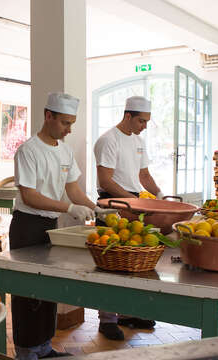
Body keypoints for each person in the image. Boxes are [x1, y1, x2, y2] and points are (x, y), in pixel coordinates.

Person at [10, 92, 106, 360]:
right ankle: (26, 351)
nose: (69, 129)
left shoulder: (64, 150)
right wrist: (69, 208)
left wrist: (96, 208)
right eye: (65, 123)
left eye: (72, 123)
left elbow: (72, 188)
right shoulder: (28, 150)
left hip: (51, 227)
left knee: (47, 288)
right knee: (28, 291)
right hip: (27, 226)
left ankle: (43, 346)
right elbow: (29, 195)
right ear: (48, 116)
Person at [93, 96, 163, 340]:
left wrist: (160, 195)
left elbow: (143, 175)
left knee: (133, 264)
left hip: (133, 203)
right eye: (141, 121)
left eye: (147, 122)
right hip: (112, 203)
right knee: (110, 266)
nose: (144, 126)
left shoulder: (139, 141)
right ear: (127, 117)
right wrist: (131, 203)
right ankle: (108, 319)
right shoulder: (107, 140)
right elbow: (106, 181)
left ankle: (129, 312)